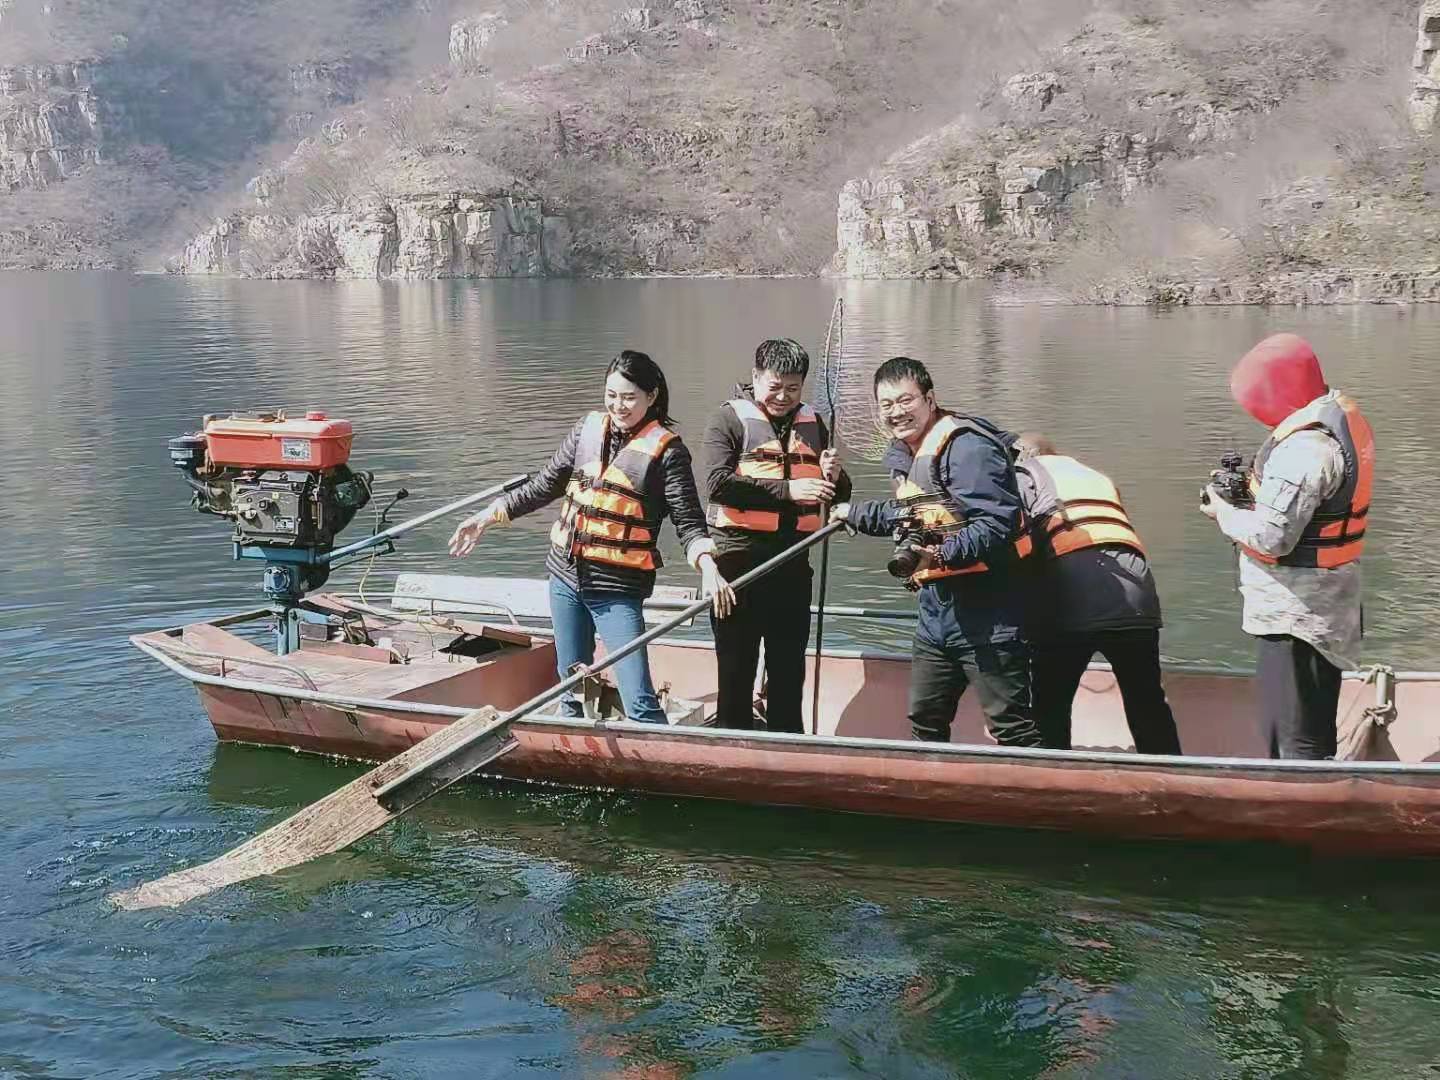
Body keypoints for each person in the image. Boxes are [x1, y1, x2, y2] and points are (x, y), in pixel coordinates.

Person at [448, 350, 735, 723]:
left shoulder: (668, 454)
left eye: (630, 397)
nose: (619, 405)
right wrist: (487, 516)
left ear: (652, 396)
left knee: (639, 698)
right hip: (565, 579)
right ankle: (570, 754)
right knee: (569, 689)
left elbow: (688, 520)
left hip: (617, 588)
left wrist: (708, 566)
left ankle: (658, 764)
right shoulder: (586, 430)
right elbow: (543, 486)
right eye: (612, 395)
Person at [830, 356, 1042, 746]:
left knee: (1011, 728)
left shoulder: (967, 449)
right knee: (925, 721)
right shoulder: (910, 454)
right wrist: (852, 513)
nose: (897, 413)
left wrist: (939, 555)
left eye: (906, 401)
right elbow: (910, 514)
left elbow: (995, 524)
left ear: (930, 398)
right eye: (887, 405)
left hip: (990, 613)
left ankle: (1045, 802)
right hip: (936, 617)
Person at [1201, 333, 1374, 760]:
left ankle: (1308, 814)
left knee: (1298, 740)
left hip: (1299, 614)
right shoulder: (1330, 423)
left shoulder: (1305, 448)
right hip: (1319, 606)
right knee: (1292, 725)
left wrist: (1222, 512)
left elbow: (1271, 537)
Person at [700, 338, 850, 732]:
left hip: (792, 566)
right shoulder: (727, 420)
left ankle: (788, 742)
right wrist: (787, 492)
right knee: (737, 667)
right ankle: (733, 742)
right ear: (755, 377)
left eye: (793, 388)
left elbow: (837, 494)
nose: (783, 396)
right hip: (738, 567)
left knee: (789, 668)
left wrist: (835, 476)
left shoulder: (814, 423)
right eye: (774, 386)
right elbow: (717, 484)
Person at [1013, 433, 1182, 755]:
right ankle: (1172, 779)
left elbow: (1021, 548)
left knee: (1050, 701)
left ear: (1022, 457)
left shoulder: (1026, 474)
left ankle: (1053, 782)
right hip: (1137, 593)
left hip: (1073, 595)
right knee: (1147, 701)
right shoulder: (1095, 476)